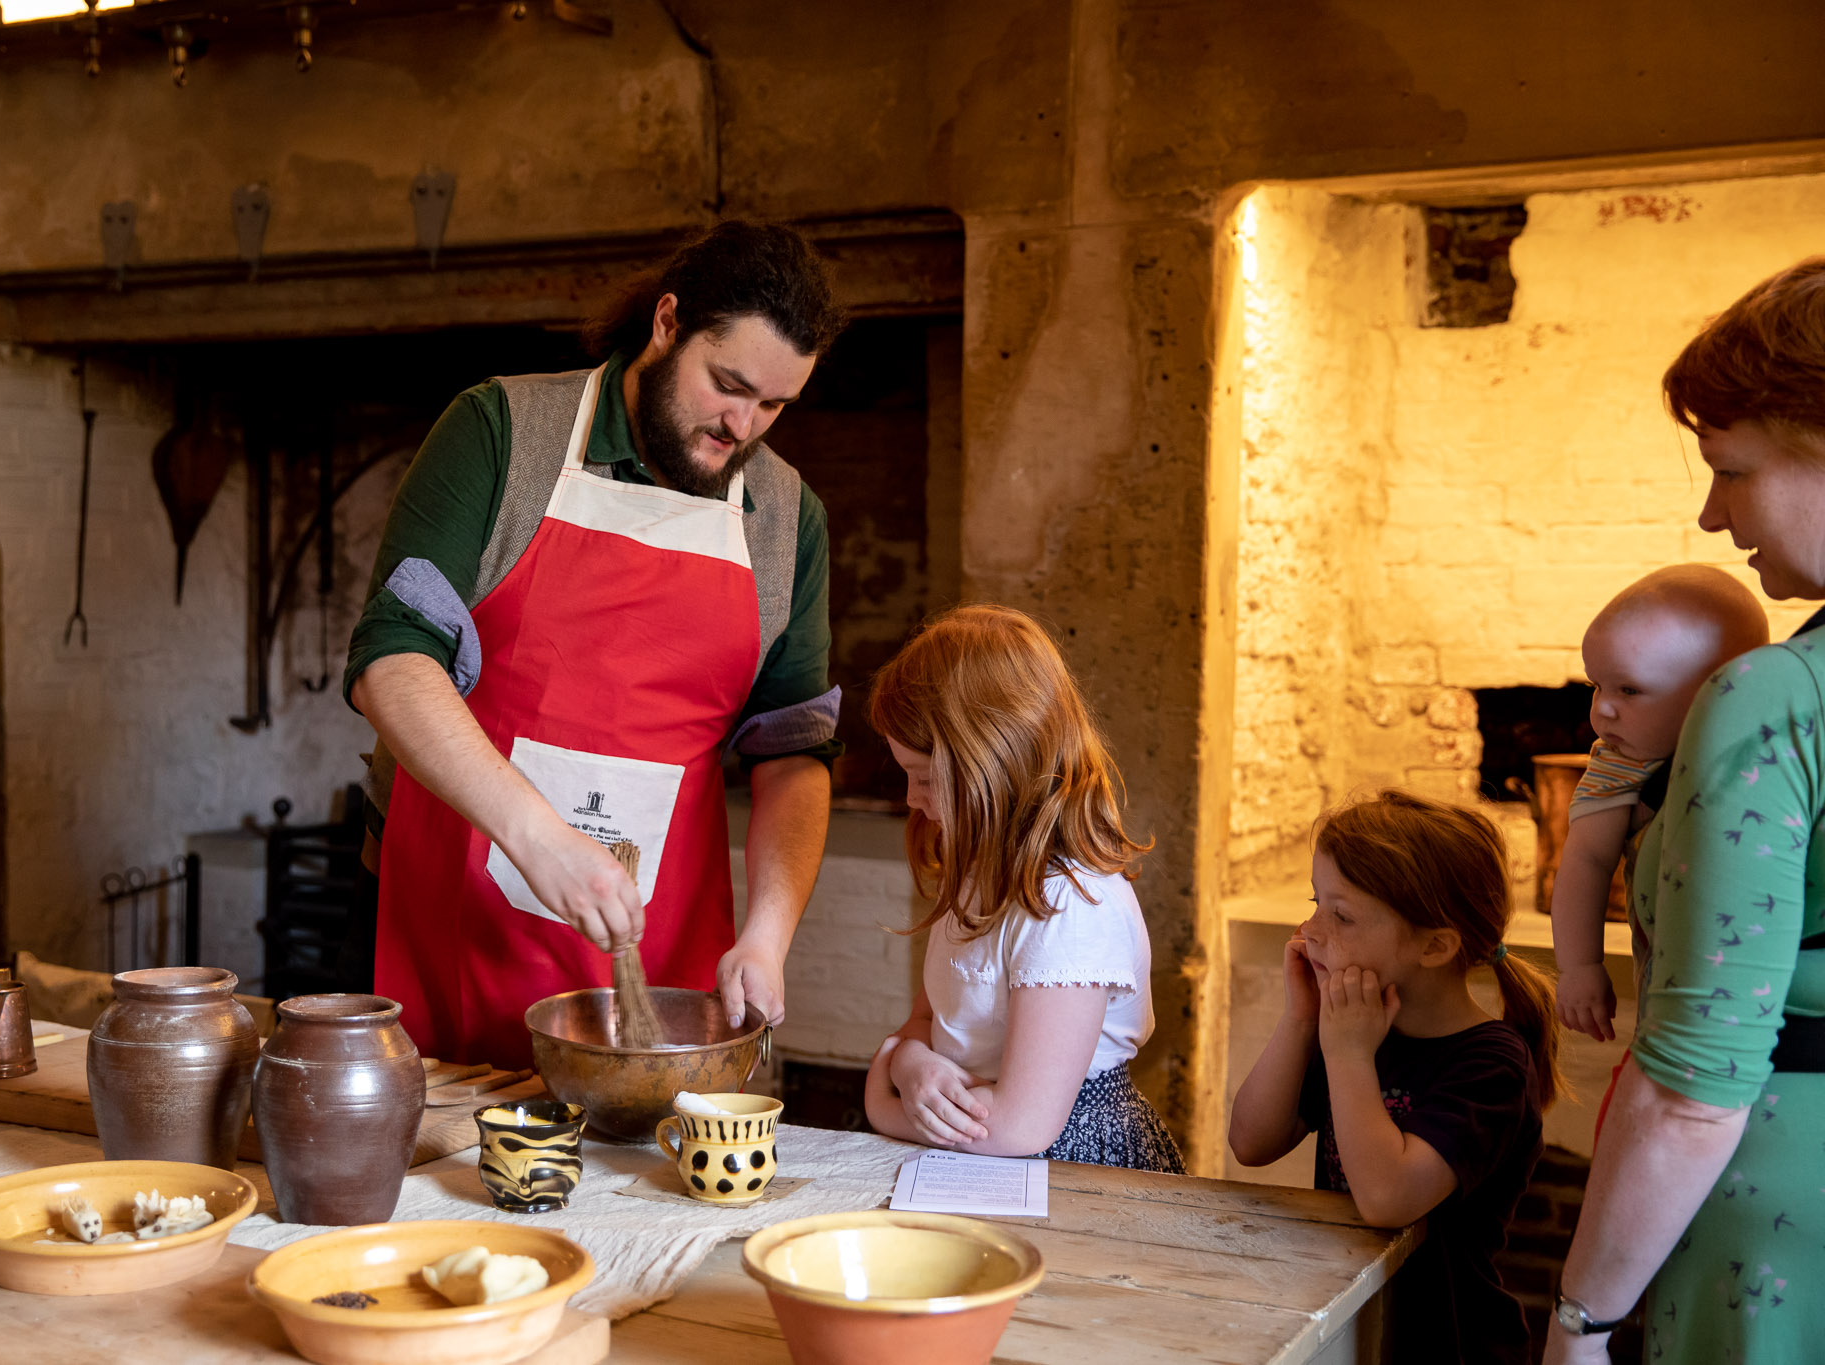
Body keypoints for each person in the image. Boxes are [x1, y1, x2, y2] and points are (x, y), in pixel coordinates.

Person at [346, 221, 848, 1067]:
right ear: (666, 324)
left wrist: (766, 936)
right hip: (459, 913)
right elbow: (392, 662)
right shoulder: (500, 431)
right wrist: (538, 837)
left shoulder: (788, 519)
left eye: (773, 405)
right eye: (727, 385)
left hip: (664, 947)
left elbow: (792, 751)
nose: (743, 426)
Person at [1546, 258, 1825, 1365]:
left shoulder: (1771, 699)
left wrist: (1579, 1320)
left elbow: (1692, 1089)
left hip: (1778, 1226)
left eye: (1731, 469)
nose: (1710, 517)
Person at [1230, 790, 1559, 1365]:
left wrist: (1350, 1056)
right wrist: (1301, 1017)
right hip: (1355, 1324)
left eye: (1343, 915)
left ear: (1434, 945)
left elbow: (1386, 1198)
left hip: (1447, 1345)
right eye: (1316, 903)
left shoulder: (1491, 1065)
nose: (1310, 929)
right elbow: (1252, 1142)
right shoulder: (1349, 1028)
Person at [860, 605, 1184, 1172]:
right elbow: (925, 1021)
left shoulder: (1068, 906)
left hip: (1068, 1165)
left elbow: (1020, 1124)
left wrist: (883, 1100)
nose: (911, 800)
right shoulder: (976, 873)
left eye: (925, 779)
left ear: (996, 764)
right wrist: (912, 1062)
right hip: (975, 1146)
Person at [1552, 565, 1768, 1049]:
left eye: (1628, 690)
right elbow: (1585, 862)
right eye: (1596, 686)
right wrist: (1580, 966)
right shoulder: (1622, 764)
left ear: (1720, 689)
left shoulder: (1770, 749)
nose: (1603, 709)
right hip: (1673, 998)